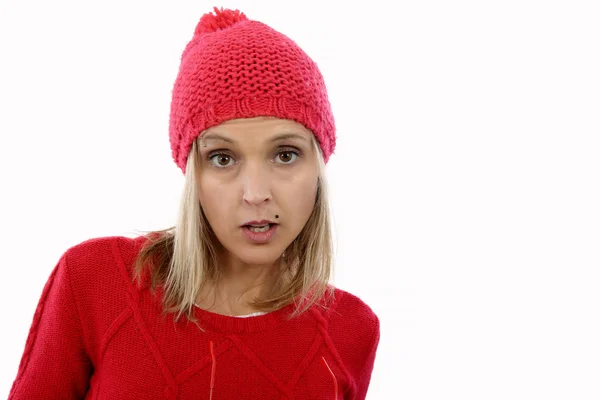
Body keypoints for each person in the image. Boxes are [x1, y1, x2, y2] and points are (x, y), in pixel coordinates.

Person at [8, 6, 380, 399]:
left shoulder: (351, 329)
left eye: (285, 154)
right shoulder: (95, 282)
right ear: (192, 174)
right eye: (223, 158)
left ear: (318, 165)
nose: (255, 193)